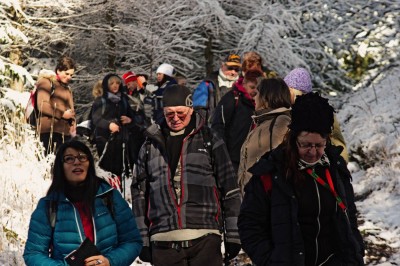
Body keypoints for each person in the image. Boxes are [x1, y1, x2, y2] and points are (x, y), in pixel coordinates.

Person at [238, 92, 365, 266]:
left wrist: (355, 250)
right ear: (293, 138)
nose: (313, 152)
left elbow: (348, 215)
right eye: (305, 144)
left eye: (319, 145)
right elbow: (249, 225)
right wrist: (270, 260)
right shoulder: (270, 172)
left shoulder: (335, 168)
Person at [131, 84, 242, 266]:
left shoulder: (209, 139)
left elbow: (229, 189)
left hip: (205, 235)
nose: (175, 118)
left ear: (191, 109)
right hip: (163, 239)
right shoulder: (150, 145)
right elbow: (139, 195)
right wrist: (142, 240)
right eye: (169, 114)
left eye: (180, 113)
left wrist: (233, 235)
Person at [23, 140, 143, 266]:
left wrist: (109, 261)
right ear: (60, 166)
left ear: (89, 163)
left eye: (82, 157)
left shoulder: (109, 197)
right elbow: (33, 254)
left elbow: (132, 241)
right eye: (69, 158)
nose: (77, 162)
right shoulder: (49, 205)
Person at [238, 78, 291, 195]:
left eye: (257, 94)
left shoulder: (280, 122)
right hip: (252, 199)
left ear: (266, 98)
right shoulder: (262, 123)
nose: (254, 98)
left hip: (265, 201)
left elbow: (279, 165)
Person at [284, 67, 349, 162]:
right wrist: (341, 164)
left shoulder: (292, 113)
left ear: (291, 90)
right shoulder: (324, 109)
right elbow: (338, 140)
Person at [211, 69, 264, 172]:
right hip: (231, 158)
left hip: (251, 159)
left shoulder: (260, 103)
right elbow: (218, 126)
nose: (254, 92)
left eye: (258, 89)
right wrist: (222, 154)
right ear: (244, 83)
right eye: (252, 87)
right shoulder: (232, 98)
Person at [91, 73, 139, 188]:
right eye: (111, 83)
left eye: (117, 83)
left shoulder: (123, 99)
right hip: (104, 139)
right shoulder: (101, 100)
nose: (115, 86)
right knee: (106, 169)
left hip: (121, 139)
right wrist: (109, 125)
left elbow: (133, 116)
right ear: (106, 85)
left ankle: (116, 191)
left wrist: (129, 120)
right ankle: (106, 191)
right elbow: (96, 119)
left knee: (119, 169)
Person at [35, 55, 77, 154]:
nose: (69, 77)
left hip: (65, 134)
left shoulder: (67, 88)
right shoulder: (46, 82)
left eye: (71, 75)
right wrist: (62, 114)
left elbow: (71, 110)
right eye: (66, 74)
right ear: (58, 70)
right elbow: (42, 105)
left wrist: (73, 121)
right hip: (49, 132)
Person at [192, 53, 242, 122]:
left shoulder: (243, 86)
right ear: (222, 65)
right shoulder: (208, 84)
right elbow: (198, 111)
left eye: (236, 70)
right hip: (212, 128)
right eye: (230, 68)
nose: (233, 72)